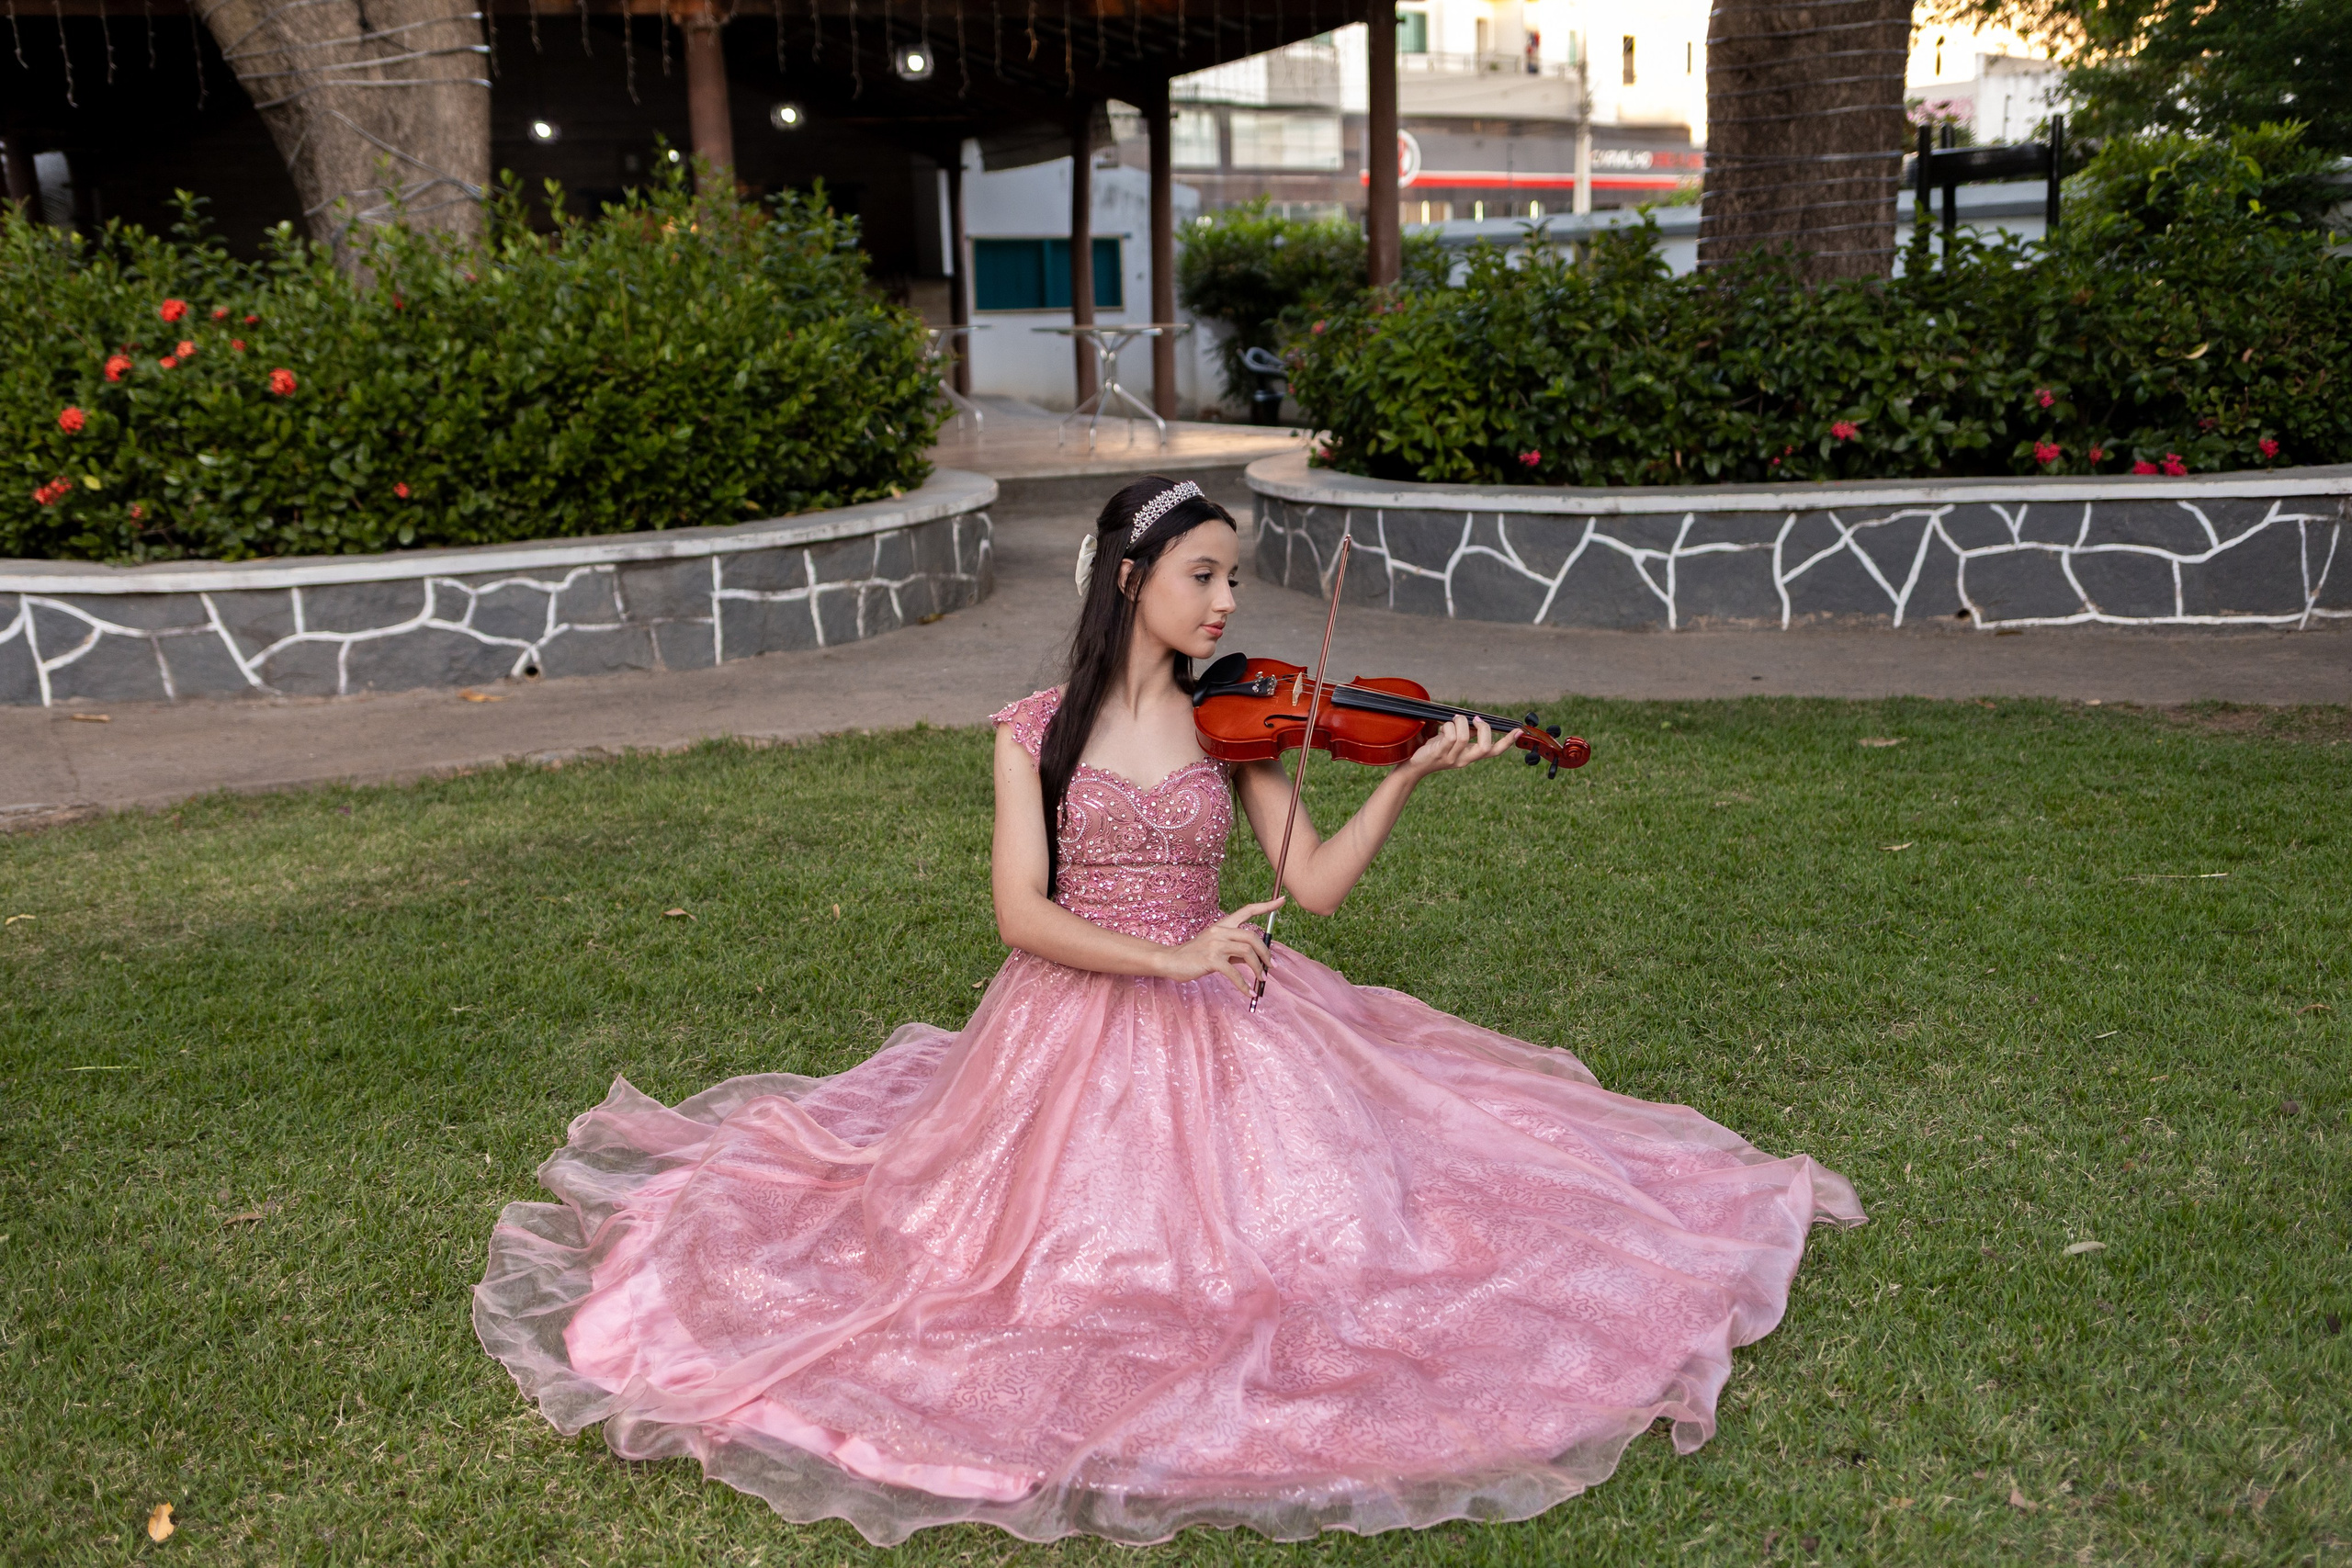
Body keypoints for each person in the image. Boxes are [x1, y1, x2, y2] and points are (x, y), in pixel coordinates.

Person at [474, 477, 1863, 1548]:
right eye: (1203, 575)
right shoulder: (1034, 729)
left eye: (1234, 579)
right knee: (989, 1256)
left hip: (1235, 1009)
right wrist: (1173, 957)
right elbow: (1022, 914)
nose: (1225, 603)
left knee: (1337, 1239)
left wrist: (1402, 777)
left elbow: (1310, 888)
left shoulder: (1234, 719)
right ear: (1132, 579)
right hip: (1071, 1016)